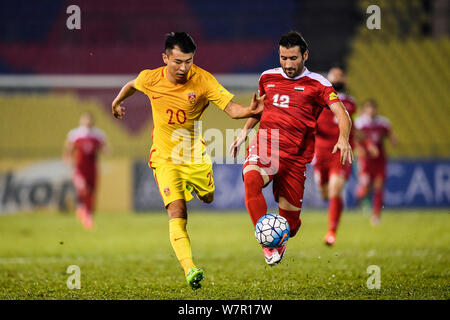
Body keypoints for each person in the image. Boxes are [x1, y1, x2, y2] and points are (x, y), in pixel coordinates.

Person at [111, 32, 264, 290]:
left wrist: (249, 111)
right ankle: (189, 268)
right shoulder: (150, 78)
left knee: (208, 197)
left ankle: (199, 188)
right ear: (165, 58)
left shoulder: (203, 80)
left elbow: (231, 109)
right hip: (164, 157)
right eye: (178, 61)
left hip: (194, 155)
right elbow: (132, 85)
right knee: (177, 210)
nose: (184, 68)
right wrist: (117, 102)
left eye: (189, 61)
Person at [229, 31, 353, 266]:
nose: (287, 64)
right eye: (283, 58)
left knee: (291, 226)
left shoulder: (319, 84)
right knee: (251, 179)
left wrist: (343, 138)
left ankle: (280, 237)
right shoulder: (267, 77)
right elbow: (259, 109)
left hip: (296, 157)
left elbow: (341, 113)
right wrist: (245, 132)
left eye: (293, 58)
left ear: (305, 55)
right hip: (267, 144)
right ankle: (267, 243)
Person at [313, 65, 357, 246]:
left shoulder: (351, 103)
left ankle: (331, 232)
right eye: (334, 76)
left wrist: (365, 144)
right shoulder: (317, 99)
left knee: (335, 190)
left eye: (340, 76)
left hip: (340, 152)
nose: (338, 79)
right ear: (328, 79)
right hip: (321, 151)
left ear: (344, 80)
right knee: (324, 191)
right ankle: (333, 205)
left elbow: (351, 127)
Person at [354, 99, 398, 226]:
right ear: (366, 109)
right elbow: (355, 138)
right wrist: (359, 149)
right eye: (369, 108)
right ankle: (360, 197)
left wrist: (393, 140)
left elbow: (390, 135)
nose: (372, 111)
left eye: (373, 108)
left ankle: (376, 215)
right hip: (365, 160)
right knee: (366, 186)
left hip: (379, 160)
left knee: (379, 186)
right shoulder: (360, 123)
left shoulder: (383, 123)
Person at [63, 112, 107, 230]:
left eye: (89, 120)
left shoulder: (98, 135)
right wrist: (68, 159)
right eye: (85, 119)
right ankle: (84, 213)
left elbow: (104, 148)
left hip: (92, 168)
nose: (87, 122)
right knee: (83, 189)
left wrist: (104, 149)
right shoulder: (75, 134)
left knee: (91, 193)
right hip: (79, 168)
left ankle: (86, 214)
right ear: (81, 121)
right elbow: (68, 148)